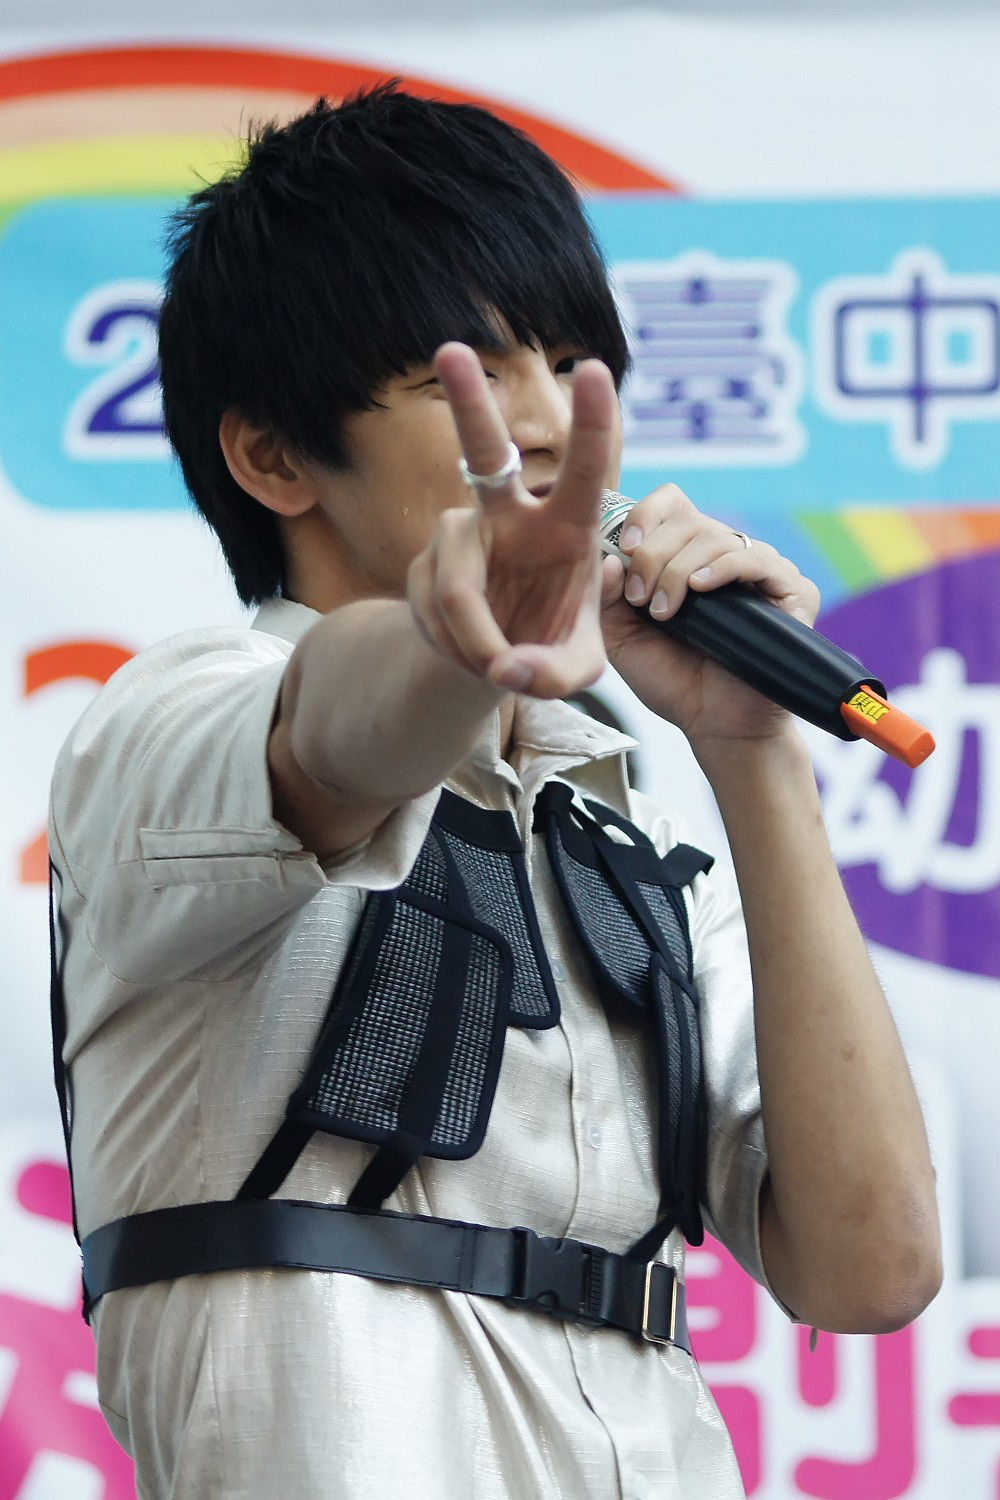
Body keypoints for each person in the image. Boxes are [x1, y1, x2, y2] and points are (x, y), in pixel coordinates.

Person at [48, 85, 941, 1500]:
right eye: (460, 377)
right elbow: (334, 735)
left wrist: (755, 753)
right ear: (272, 454)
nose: (539, 422)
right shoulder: (174, 717)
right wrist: (464, 636)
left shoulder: (623, 834)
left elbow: (872, 1268)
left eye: (572, 365)